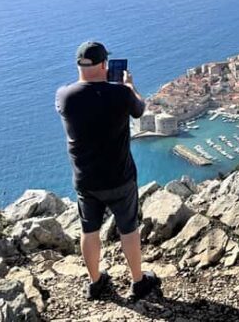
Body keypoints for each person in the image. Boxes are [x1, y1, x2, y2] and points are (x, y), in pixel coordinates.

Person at [55, 41, 161, 300]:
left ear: (78, 65)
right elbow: (139, 109)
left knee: (89, 231)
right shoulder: (121, 94)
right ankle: (138, 281)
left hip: (86, 180)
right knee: (129, 229)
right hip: (120, 178)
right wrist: (129, 85)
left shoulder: (64, 96)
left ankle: (95, 282)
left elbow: (82, 99)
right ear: (105, 64)